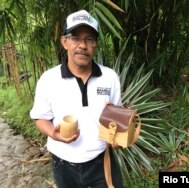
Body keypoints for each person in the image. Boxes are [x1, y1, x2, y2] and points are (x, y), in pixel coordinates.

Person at [30, 10, 123, 188]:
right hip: (63, 165)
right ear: (65, 42)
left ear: (95, 45)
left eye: (89, 39)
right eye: (75, 38)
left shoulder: (109, 77)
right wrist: (54, 134)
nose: (83, 45)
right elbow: (40, 118)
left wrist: (118, 136)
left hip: (101, 161)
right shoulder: (49, 79)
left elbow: (116, 116)